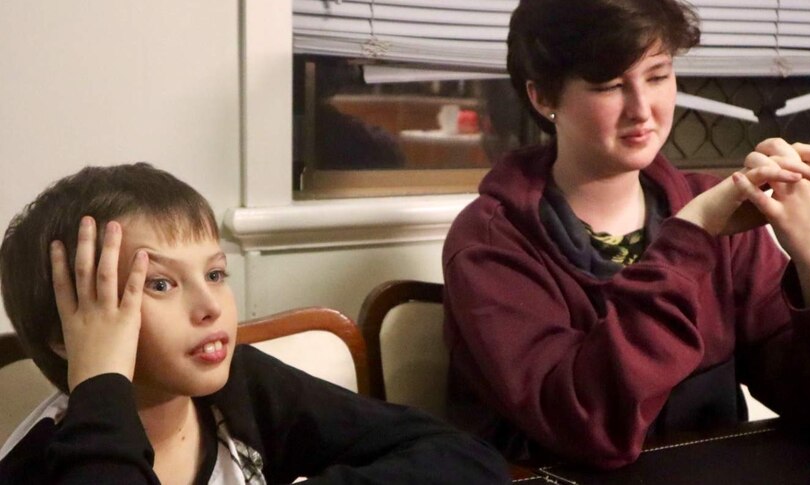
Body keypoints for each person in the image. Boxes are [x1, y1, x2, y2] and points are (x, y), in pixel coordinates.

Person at [442, 0, 810, 470]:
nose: (642, 109)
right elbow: (591, 428)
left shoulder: (715, 213)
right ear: (543, 98)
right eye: (609, 85)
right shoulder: (491, 240)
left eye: (658, 76)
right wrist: (692, 237)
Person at [0, 163, 509, 484]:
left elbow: (463, 457)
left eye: (216, 273)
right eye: (159, 284)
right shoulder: (41, 459)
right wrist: (100, 383)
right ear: (69, 335)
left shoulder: (243, 385)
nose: (210, 306)